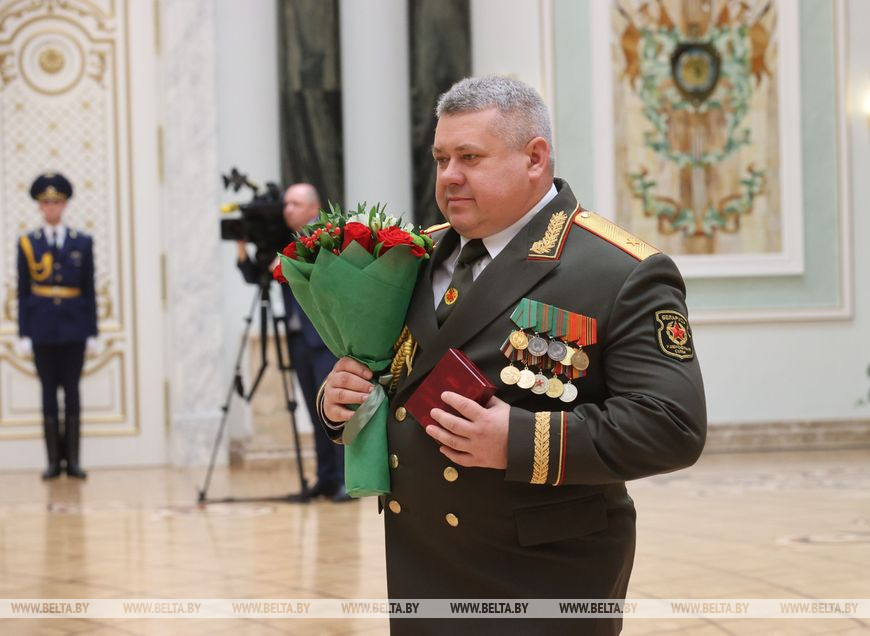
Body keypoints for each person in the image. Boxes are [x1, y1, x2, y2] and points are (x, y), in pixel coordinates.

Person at [319, 76, 707, 634]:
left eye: (470, 157)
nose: (449, 175)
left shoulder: (618, 271)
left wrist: (518, 439)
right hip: (420, 570)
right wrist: (340, 403)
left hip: (543, 579)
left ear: (535, 158)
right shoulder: (410, 259)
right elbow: (389, 379)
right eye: (441, 158)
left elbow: (671, 426)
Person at [236, 183, 350, 502]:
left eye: (295, 204)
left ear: (314, 209)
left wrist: (286, 264)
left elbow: (325, 279)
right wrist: (242, 247)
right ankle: (325, 478)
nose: (287, 210)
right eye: (285, 204)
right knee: (315, 412)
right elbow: (255, 276)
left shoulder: (327, 241)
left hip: (325, 338)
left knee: (335, 412)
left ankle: (343, 479)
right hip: (298, 338)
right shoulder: (282, 243)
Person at [18, 173, 98, 480]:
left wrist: (92, 332)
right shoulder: (28, 243)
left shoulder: (82, 242)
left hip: (74, 329)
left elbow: (88, 289)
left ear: (64, 205)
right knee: (49, 393)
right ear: (40, 207)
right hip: (41, 329)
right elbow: (23, 292)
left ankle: (73, 461)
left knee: (73, 393)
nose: (52, 208)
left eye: (57, 202)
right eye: (46, 203)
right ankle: (53, 461)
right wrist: (24, 333)